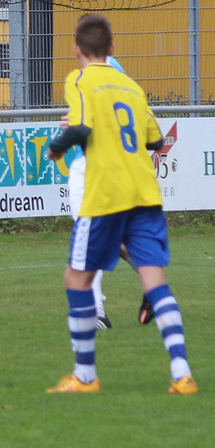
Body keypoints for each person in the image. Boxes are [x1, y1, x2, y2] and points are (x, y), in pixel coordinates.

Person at [45, 13, 195, 395]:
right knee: (155, 281)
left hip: (106, 193)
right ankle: (182, 375)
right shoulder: (131, 86)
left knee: (76, 279)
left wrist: (56, 147)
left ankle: (85, 376)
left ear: (76, 49)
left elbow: (81, 127)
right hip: (144, 193)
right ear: (112, 48)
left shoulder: (79, 79)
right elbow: (156, 140)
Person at [62, 55, 153, 330]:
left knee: (89, 235)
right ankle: (152, 285)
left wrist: (75, 128)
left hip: (93, 168)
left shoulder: (93, 79)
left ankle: (97, 313)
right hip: (116, 169)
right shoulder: (123, 83)